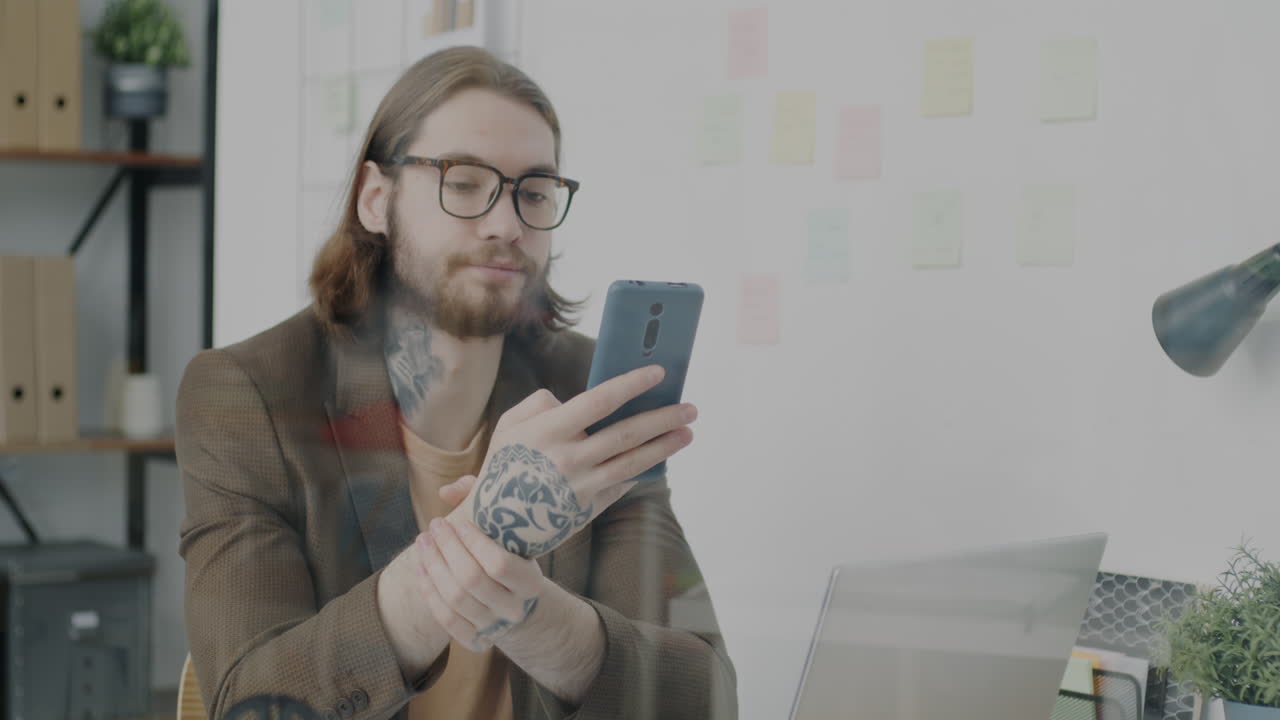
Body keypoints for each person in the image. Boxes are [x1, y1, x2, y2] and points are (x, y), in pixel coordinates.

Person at [176, 46, 736, 720]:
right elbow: (252, 704)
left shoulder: (586, 393)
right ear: (376, 201)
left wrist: (533, 619)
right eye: (464, 181)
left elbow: (706, 697)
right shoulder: (248, 395)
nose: (506, 224)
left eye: (534, 192)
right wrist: (490, 527)